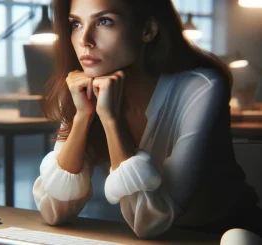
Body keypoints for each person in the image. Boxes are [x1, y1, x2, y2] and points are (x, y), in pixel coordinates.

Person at [32, 0, 262, 239]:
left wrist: (111, 120)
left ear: (148, 30)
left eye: (104, 21)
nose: (84, 40)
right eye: (76, 24)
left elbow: (150, 220)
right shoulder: (79, 91)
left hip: (229, 234)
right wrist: (83, 116)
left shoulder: (200, 87)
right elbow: (54, 211)